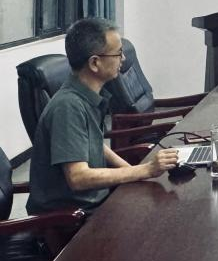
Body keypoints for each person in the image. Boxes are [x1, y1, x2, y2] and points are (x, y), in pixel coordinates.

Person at [27, 18, 180, 214]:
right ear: (94, 63)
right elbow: (78, 177)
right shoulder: (68, 106)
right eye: (118, 53)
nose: (123, 58)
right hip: (71, 220)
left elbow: (95, 143)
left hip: (95, 203)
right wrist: (145, 170)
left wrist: (136, 172)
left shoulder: (86, 96)